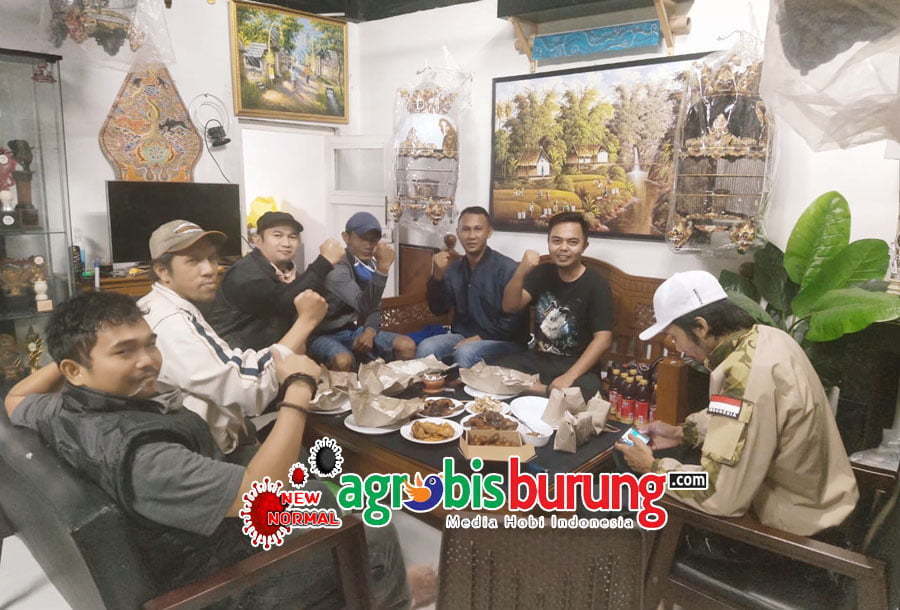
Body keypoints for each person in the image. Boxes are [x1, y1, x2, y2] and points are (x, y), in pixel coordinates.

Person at [3, 291, 415, 608]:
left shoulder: (62, 409)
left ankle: (377, 582)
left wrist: (75, 355)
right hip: (218, 580)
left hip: (192, 531)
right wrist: (298, 390)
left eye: (149, 344)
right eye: (123, 351)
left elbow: (15, 399)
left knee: (316, 476)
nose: (148, 361)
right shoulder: (143, 457)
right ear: (74, 371)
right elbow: (257, 495)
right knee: (373, 530)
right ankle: (391, 598)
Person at [616, 270, 858, 536]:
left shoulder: (746, 376)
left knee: (636, 480)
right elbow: (746, 419)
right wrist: (682, 432)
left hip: (793, 528)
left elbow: (717, 494)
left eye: (675, 337)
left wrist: (653, 469)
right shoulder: (767, 338)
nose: (678, 348)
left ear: (701, 327)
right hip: (821, 501)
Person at [138, 220, 320, 463]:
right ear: (162, 271)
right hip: (205, 455)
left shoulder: (163, 304)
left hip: (214, 433)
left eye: (212, 259)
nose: (210, 270)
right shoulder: (171, 321)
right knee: (309, 457)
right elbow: (248, 387)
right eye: (193, 261)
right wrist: (306, 322)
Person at [497, 211, 613, 401]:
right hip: (539, 359)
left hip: (577, 366)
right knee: (495, 371)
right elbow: (510, 307)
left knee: (588, 392)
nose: (563, 248)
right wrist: (521, 271)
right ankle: (546, 391)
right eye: (557, 241)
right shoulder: (542, 273)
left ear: (585, 246)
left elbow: (603, 339)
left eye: (572, 242)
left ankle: (533, 389)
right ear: (549, 242)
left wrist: (569, 377)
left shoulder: (597, 284)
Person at [206, 211, 346, 351]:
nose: (286, 243)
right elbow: (282, 302)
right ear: (257, 240)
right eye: (277, 235)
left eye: (292, 237)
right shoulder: (245, 273)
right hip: (232, 355)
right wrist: (324, 262)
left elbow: (320, 302)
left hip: (270, 351)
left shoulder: (289, 272)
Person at [417, 206, 527, 368]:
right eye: (466, 229)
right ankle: (432, 385)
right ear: (458, 232)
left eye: (478, 229)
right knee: (426, 347)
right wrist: (438, 277)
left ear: (489, 232)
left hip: (504, 340)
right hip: (463, 335)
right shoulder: (455, 268)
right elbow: (438, 309)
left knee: (466, 352)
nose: (471, 236)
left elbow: (515, 319)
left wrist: (482, 337)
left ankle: (465, 386)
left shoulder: (507, 269)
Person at [310, 212, 416, 371]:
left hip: (350, 330)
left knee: (406, 345)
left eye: (373, 239)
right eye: (362, 238)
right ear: (346, 237)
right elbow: (364, 305)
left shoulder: (366, 264)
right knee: (343, 360)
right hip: (321, 335)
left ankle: (397, 386)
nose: (369, 245)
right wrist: (383, 269)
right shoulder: (336, 267)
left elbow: (374, 306)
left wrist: (370, 331)